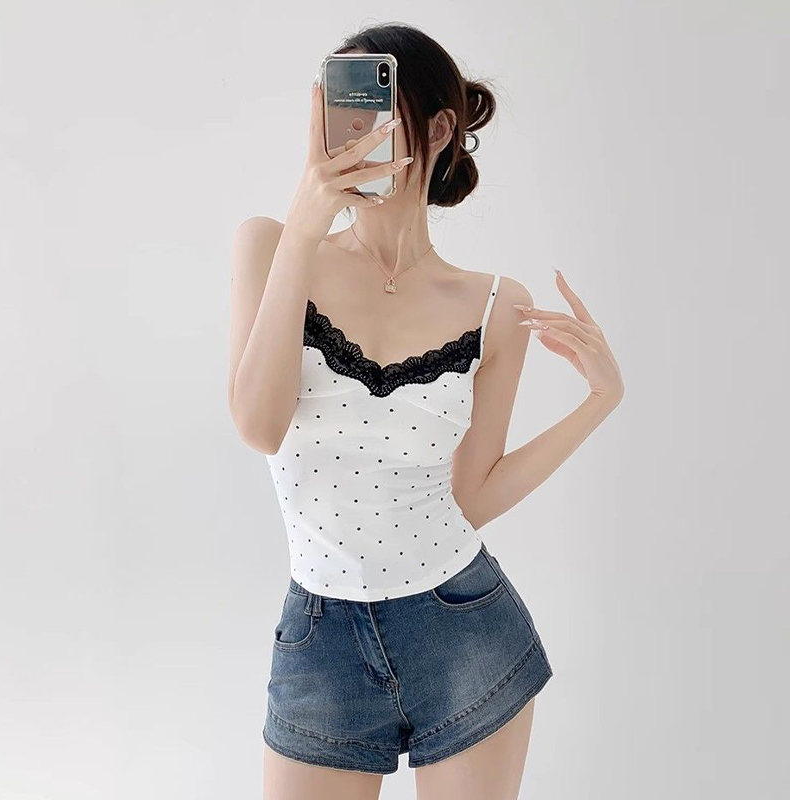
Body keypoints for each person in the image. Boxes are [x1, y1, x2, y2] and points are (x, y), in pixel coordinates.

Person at [228, 22, 624, 800]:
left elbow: (470, 495)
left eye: (375, 109)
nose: (353, 135)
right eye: (339, 111)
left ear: (439, 130)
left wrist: (601, 401)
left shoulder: (494, 306)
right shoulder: (271, 247)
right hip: (319, 644)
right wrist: (306, 225)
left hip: (465, 632)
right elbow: (258, 425)